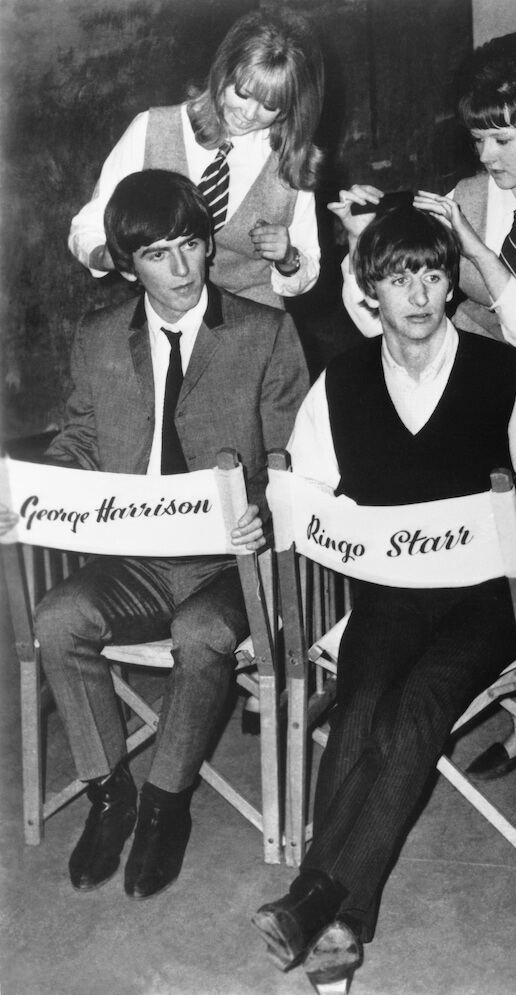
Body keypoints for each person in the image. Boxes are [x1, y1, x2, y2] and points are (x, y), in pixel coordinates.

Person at [251, 204, 516, 990]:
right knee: (364, 699)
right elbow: (302, 495)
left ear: (451, 283)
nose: (419, 293)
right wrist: (281, 512)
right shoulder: (342, 380)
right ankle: (335, 917)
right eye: (400, 276)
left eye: (434, 274)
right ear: (370, 288)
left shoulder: (504, 370)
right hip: (387, 595)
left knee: (420, 703)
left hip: (483, 600)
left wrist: (515, 527)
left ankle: (321, 896)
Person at [5, 170, 308, 900]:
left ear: (209, 245)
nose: (179, 270)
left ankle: (164, 806)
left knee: (203, 633)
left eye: (190, 247)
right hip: (136, 554)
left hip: (227, 562)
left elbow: (292, 456)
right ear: (125, 263)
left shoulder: (264, 331)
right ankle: (111, 794)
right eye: (156, 255)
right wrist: (28, 496)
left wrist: (264, 511)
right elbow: (80, 439)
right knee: (57, 617)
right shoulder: (101, 335)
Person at [336, 31, 516, 459]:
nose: (486, 156)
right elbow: (386, 320)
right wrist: (361, 238)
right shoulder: (465, 197)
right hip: (469, 399)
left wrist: (479, 252)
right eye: (477, 139)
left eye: (502, 141)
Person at [69, 7, 325, 308]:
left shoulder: (292, 161)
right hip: (167, 316)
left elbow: (307, 267)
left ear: (288, 108)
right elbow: (87, 227)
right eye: (242, 93)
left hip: (253, 323)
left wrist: (288, 258)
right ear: (223, 73)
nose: (249, 113)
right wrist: (104, 255)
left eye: (270, 105)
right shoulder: (151, 129)